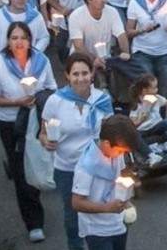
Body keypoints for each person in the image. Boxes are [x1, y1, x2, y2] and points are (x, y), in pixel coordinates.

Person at [0, 22, 57, 243]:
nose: (19, 42)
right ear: (8, 41)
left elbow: (53, 89)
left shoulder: (41, 61)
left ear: (30, 40)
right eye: (14, 38)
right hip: (11, 124)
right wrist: (16, 101)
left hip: (36, 120)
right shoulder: (0, 63)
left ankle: (33, 189)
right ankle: (34, 222)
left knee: (37, 162)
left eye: (23, 37)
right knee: (21, 173)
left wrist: (40, 98)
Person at [40, 52, 115, 250]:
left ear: (92, 74)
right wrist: (47, 141)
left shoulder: (102, 100)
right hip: (67, 168)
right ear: (67, 76)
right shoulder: (55, 101)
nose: (80, 78)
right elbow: (42, 133)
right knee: (72, 216)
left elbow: (112, 134)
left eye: (84, 73)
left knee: (98, 214)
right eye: (75, 74)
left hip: (97, 168)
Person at [71, 115, 139, 250]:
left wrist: (127, 198)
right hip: (97, 230)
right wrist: (107, 208)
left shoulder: (115, 154)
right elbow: (77, 203)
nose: (121, 155)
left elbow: (118, 177)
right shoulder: (86, 167)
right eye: (120, 151)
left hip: (117, 223)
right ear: (107, 143)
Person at [69, 0, 131, 72]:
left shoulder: (112, 12)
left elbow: (121, 35)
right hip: (80, 59)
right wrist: (94, 60)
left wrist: (126, 52)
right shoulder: (76, 16)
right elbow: (78, 46)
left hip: (106, 58)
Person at [127, 74, 167, 164]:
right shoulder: (136, 105)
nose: (157, 90)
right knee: (134, 135)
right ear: (145, 91)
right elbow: (133, 123)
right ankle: (151, 156)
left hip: (156, 127)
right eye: (154, 88)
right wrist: (144, 112)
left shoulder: (157, 98)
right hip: (143, 131)